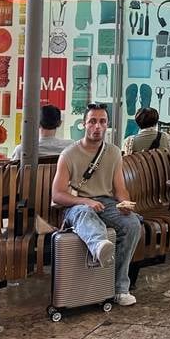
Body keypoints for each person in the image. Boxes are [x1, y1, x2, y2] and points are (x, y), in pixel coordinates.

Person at [51, 104, 141, 306]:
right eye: (92, 121)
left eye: (102, 122)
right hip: (76, 205)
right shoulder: (69, 154)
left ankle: (119, 288)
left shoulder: (114, 153)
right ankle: (100, 245)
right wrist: (85, 201)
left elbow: (119, 189)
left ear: (107, 125)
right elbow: (57, 195)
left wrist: (125, 204)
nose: (97, 126)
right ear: (84, 124)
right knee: (85, 212)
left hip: (107, 203)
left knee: (133, 224)